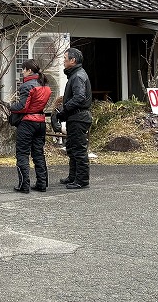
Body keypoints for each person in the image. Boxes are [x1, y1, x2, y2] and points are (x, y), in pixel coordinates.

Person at [7, 59, 52, 194]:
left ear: (29, 71)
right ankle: (42, 183)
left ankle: (24, 185)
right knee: (38, 153)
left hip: (27, 123)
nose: (22, 72)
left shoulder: (27, 86)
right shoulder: (45, 86)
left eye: (23, 69)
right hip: (41, 122)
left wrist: (10, 106)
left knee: (22, 153)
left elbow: (23, 107)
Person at [53, 48, 94, 190]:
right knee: (72, 147)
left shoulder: (77, 76)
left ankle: (81, 180)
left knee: (78, 149)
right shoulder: (76, 75)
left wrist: (64, 109)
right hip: (76, 117)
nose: (63, 61)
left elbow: (79, 97)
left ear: (73, 60)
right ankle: (73, 176)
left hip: (79, 118)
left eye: (65, 58)